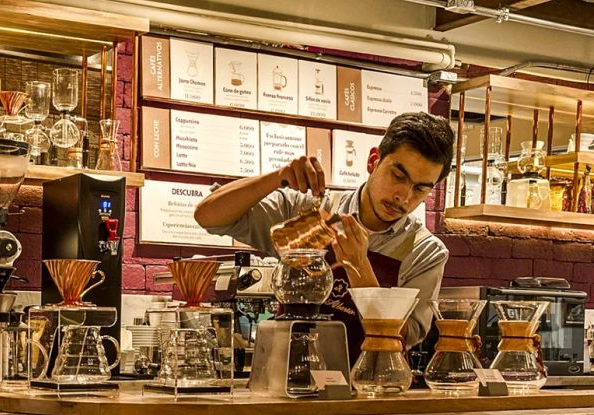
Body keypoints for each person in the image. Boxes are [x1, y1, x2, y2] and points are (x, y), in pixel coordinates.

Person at [194, 112, 455, 364]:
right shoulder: (312, 211)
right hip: (288, 379)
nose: (403, 196)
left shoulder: (424, 252)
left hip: (369, 392)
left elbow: (402, 338)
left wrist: (358, 266)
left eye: (420, 188)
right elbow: (209, 216)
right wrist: (277, 178)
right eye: (398, 176)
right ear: (373, 161)